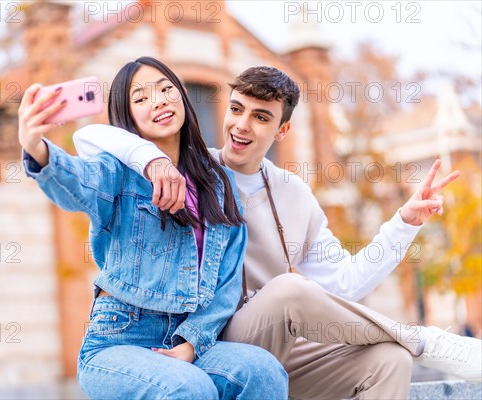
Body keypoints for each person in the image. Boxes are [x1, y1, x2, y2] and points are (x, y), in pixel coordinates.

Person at [74, 65, 482, 399]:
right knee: (290, 289)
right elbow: (91, 137)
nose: (241, 126)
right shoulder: (192, 171)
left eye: (261, 117)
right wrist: (150, 160)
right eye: (236, 109)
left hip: (276, 350)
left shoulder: (293, 192)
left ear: (281, 132)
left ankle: (408, 345)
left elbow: (343, 284)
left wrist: (403, 224)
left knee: (391, 360)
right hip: (211, 336)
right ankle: (424, 340)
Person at [18, 57, 288, 399]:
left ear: (183, 98)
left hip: (189, 336)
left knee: (263, 372)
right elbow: (76, 181)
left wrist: (192, 342)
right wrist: (36, 148)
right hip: (119, 340)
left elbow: (227, 280)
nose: (157, 101)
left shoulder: (218, 183)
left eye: (165, 90)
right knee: (190, 388)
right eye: (140, 98)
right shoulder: (115, 170)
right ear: (127, 115)